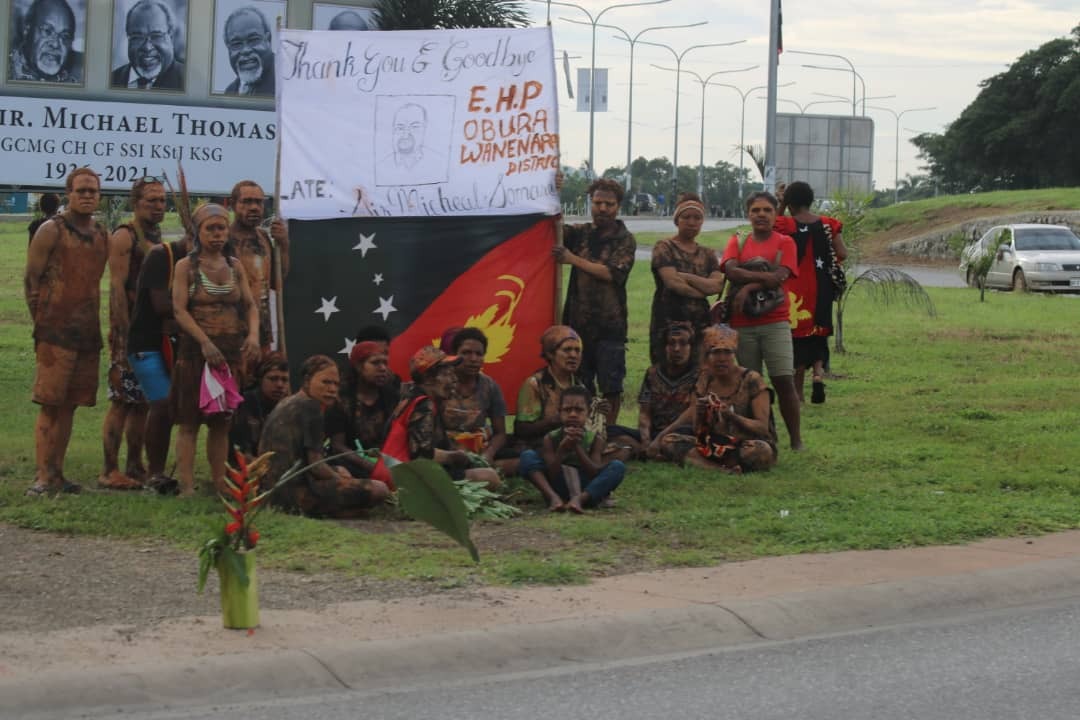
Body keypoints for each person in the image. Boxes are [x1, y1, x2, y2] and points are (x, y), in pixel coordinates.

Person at [24, 168, 109, 496]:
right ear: (69, 194)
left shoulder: (101, 234)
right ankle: (42, 477)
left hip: (87, 333)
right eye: (81, 191)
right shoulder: (51, 230)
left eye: (93, 191)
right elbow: (32, 279)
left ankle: (58, 474)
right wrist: (41, 325)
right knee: (49, 404)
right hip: (54, 333)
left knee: (71, 405)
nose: (87, 196)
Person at [170, 203, 260, 496]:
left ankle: (220, 481)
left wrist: (254, 336)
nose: (218, 234)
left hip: (229, 353)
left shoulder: (234, 265)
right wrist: (204, 342)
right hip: (196, 354)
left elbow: (249, 305)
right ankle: (186, 484)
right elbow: (180, 310)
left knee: (221, 421)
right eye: (211, 228)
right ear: (198, 231)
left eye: (222, 228)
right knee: (189, 420)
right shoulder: (186, 266)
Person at [720, 191, 803, 451]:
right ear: (748, 214)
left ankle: (796, 440)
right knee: (750, 384)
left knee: (783, 380)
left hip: (775, 321)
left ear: (776, 214)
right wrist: (759, 278)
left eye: (767, 210)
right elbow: (729, 269)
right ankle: (763, 434)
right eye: (756, 210)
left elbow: (780, 276)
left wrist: (745, 287)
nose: (761, 215)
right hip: (742, 323)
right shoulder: (738, 240)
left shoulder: (785, 242)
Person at [259, 355, 390, 517]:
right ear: (307, 380)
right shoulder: (311, 407)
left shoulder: (289, 402)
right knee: (379, 489)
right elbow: (317, 466)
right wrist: (343, 481)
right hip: (291, 496)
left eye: (336, 384)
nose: (332, 389)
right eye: (326, 382)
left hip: (269, 495)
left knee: (342, 470)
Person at [100, 177, 167, 490]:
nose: (157, 205)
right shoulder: (125, 235)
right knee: (122, 400)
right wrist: (121, 332)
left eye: (161, 200)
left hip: (149, 333)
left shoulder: (156, 235)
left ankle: (134, 465)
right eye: (151, 200)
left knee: (142, 400)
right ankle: (109, 469)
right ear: (135, 203)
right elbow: (116, 286)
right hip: (129, 333)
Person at [555, 177, 636, 425]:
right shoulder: (580, 234)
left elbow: (612, 273)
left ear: (618, 206)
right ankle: (585, 430)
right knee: (580, 383)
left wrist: (573, 259)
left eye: (609, 204)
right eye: (597, 202)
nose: (602, 209)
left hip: (610, 326)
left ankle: (608, 432)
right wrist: (554, 193)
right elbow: (553, 228)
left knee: (611, 386)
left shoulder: (625, 239)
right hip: (577, 327)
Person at [127, 222, 192, 493]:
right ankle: (155, 473)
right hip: (148, 344)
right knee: (162, 404)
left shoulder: (212, 260)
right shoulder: (160, 255)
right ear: (192, 233)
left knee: (181, 408)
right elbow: (162, 305)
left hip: (181, 342)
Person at [659, 325, 777, 473]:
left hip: (746, 444)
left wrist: (731, 416)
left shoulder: (752, 379)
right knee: (669, 442)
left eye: (727, 352)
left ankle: (709, 461)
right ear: (707, 356)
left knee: (760, 452)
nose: (721, 359)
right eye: (715, 352)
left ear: (734, 355)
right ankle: (721, 469)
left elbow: (762, 428)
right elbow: (697, 430)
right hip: (714, 442)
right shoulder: (704, 379)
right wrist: (701, 413)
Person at [774, 181, 847, 404]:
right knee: (818, 333)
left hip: (795, 289)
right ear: (810, 200)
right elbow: (842, 253)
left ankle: (798, 394)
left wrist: (781, 204)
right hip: (822, 287)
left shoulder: (785, 224)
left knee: (796, 338)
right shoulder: (828, 223)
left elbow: (771, 230)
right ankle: (817, 374)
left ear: (790, 203)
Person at [385, 347, 501, 489]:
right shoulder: (424, 405)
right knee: (490, 477)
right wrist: (453, 456)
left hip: (406, 472)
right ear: (428, 378)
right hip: (408, 478)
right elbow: (421, 456)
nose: (454, 379)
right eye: (446, 374)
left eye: (453, 373)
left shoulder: (418, 397)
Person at [519, 386, 626, 513]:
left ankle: (580, 500)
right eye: (567, 410)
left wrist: (577, 447)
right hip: (558, 485)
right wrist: (562, 450)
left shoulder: (595, 439)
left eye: (579, 410)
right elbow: (552, 474)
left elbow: (593, 472)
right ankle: (553, 498)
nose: (573, 414)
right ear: (559, 412)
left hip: (585, 486)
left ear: (588, 412)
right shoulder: (551, 438)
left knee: (617, 466)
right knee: (527, 456)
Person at [648, 192, 723, 363]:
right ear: (677, 220)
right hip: (668, 323)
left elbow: (717, 285)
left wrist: (685, 276)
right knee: (666, 370)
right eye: (686, 217)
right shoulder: (664, 247)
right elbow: (673, 283)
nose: (692, 222)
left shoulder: (708, 253)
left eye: (697, 218)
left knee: (699, 371)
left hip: (700, 324)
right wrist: (702, 292)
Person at [227, 180, 288, 364]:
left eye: (258, 202)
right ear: (233, 204)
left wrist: (284, 245)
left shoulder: (263, 238)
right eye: (247, 202)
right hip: (232, 329)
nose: (254, 207)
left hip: (262, 330)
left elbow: (277, 281)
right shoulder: (222, 239)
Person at [324, 340, 398, 478]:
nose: (383, 368)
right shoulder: (341, 400)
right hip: (352, 468)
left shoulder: (391, 396)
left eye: (385, 363)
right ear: (358, 366)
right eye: (376, 363)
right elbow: (338, 447)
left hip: (388, 463)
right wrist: (371, 466)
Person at [440, 327, 510, 467]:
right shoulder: (440, 383)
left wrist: (488, 454)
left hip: (479, 452)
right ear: (454, 355)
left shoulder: (490, 386)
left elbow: (500, 434)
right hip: (444, 452)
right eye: (466, 353)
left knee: (525, 461)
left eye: (479, 354)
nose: (473, 359)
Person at [512, 325, 583, 452]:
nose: (573, 355)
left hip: (572, 440)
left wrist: (597, 411)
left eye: (577, 350)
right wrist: (554, 421)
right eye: (567, 350)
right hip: (540, 444)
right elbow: (521, 429)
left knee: (623, 440)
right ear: (550, 354)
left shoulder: (579, 386)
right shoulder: (534, 384)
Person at [638, 322, 699, 463]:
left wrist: (659, 440)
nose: (676, 349)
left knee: (670, 442)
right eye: (671, 343)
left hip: (683, 433)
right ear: (664, 347)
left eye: (683, 343)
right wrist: (646, 439)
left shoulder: (700, 375)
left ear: (691, 348)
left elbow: (692, 413)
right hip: (655, 432)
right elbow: (644, 412)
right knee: (614, 433)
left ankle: (660, 452)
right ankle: (653, 451)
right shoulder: (652, 373)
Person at [110, 0, 184, 90]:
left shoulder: (189, 81)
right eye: (138, 37)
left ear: (171, 37)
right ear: (128, 38)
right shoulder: (111, 80)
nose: (147, 47)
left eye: (156, 36)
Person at [230, 352, 289, 461]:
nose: (280, 385)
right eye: (273, 379)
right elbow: (239, 451)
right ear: (260, 380)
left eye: (284, 380)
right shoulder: (244, 403)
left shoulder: (289, 406)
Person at [8, 0, 82, 83]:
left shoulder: (78, 79)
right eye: (47, 31)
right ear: (27, 29)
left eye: (64, 36)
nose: (55, 44)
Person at [378, 102, 447, 186]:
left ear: (425, 130)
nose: (405, 134)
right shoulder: (381, 166)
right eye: (400, 128)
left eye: (414, 127)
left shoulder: (440, 164)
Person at [222, 6, 274, 96]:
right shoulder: (230, 92)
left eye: (253, 40)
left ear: (268, 40)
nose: (246, 50)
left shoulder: (287, 82)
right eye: (237, 44)